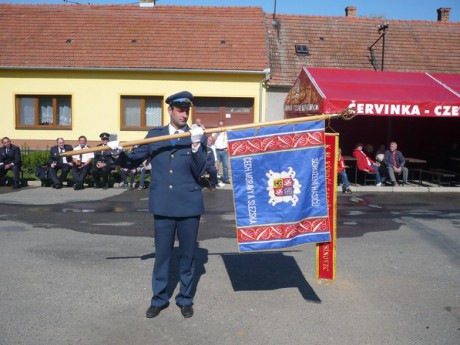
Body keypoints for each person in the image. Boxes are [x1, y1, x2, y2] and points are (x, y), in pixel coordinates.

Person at [110, 91, 207, 319]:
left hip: (188, 204)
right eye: (180, 109)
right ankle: (159, 299)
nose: (184, 114)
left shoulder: (196, 135)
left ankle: (185, 299)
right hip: (163, 203)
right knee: (162, 254)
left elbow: (201, 170)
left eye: (187, 110)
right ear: (170, 110)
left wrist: (195, 146)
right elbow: (133, 160)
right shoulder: (155, 135)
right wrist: (117, 153)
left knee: (187, 255)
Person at [212, 120, 230, 185]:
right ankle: (216, 179)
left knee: (225, 166)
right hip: (217, 150)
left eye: (222, 125)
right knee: (216, 166)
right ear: (218, 125)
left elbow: (229, 140)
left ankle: (226, 179)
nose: (221, 127)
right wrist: (217, 132)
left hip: (224, 151)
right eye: (220, 125)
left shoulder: (226, 132)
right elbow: (213, 139)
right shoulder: (214, 131)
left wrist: (228, 148)